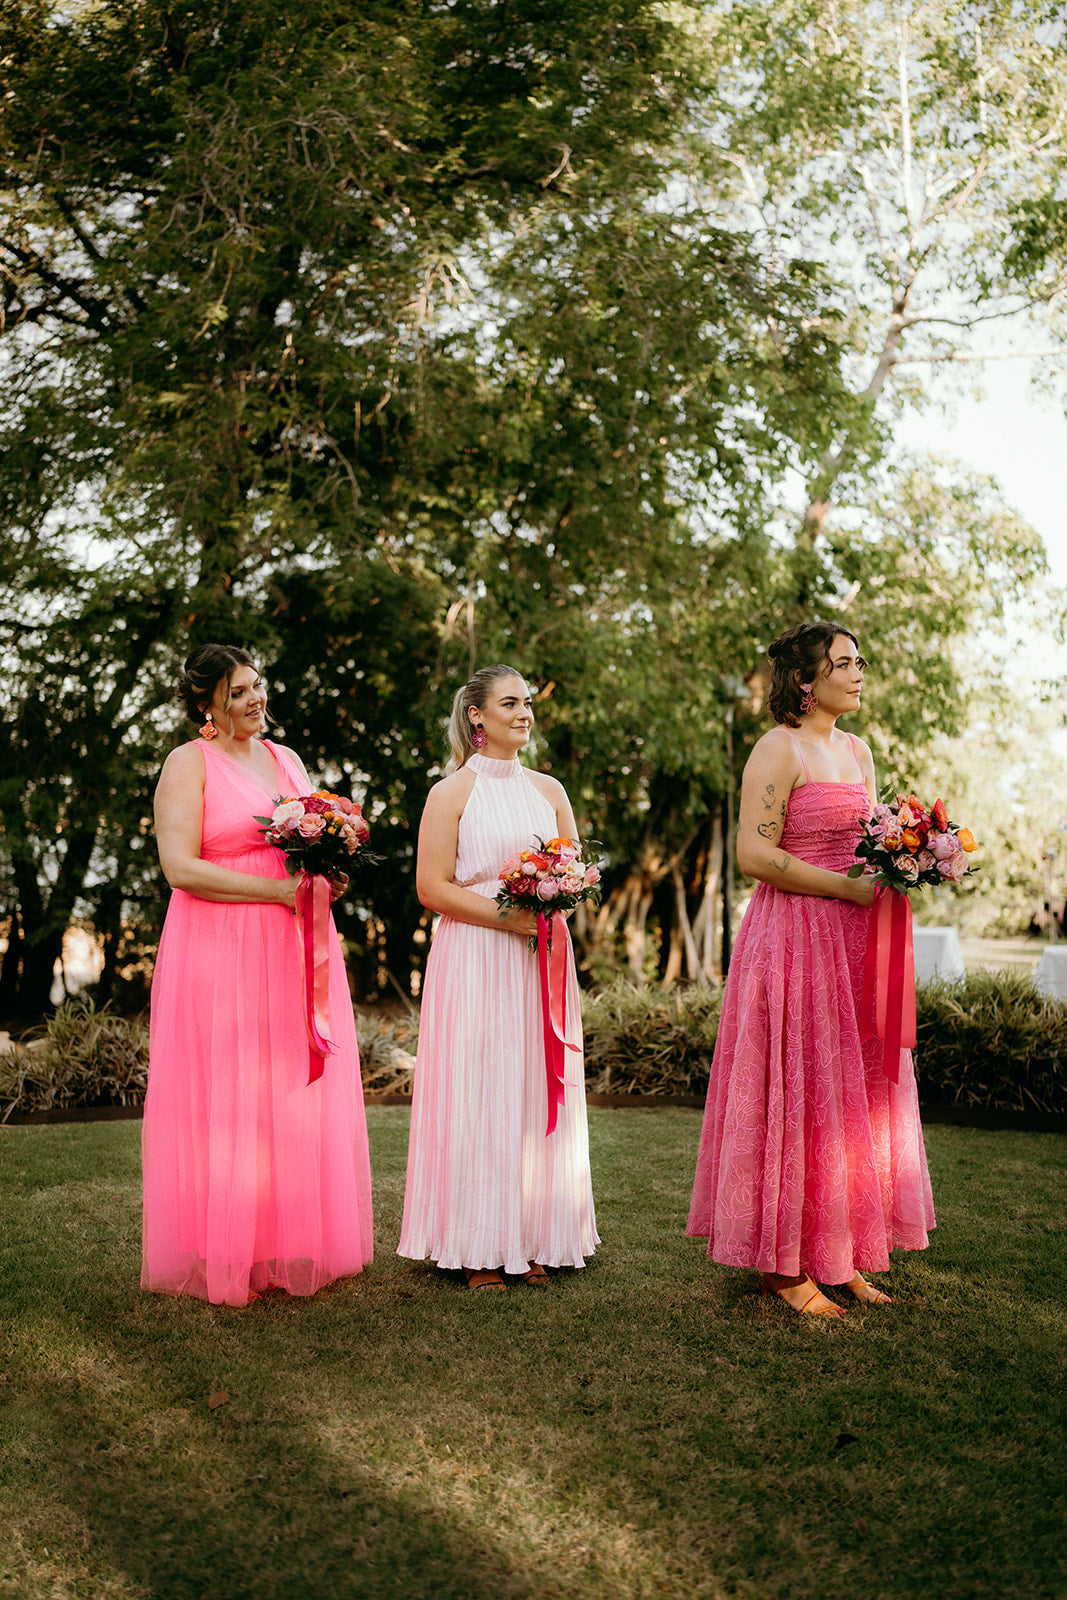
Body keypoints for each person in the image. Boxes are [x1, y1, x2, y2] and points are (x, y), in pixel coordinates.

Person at [687, 622, 935, 1316]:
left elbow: (869, 841)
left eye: (859, 661)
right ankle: (785, 1267)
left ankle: (841, 1254)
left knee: (847, 1096)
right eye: (843, 663)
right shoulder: (778, 748)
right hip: (794, 938)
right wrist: (846, 888)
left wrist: (907, 857)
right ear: (805, 680)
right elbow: (754, 856)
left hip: (856, 944)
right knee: (798, 1090)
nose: (858, 674)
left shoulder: (855, 750)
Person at [141, 643, 373, 1306]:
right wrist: (274, 894)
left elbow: (307, 838)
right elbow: (180, 868)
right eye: (238, 691)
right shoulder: (188, 765)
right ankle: (226, 1248)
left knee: (286, 1085)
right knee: (230, 1089)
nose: (254, 700)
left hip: (292, 943)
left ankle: (281, 1240)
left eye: (256, 686)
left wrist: (327, 865)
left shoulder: (286, 760)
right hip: (219, 942)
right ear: (206, 704)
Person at [398, 664, 599, 1288]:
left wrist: (556, 905)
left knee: (534, 1082)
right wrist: (507, 918)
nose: (524, 712)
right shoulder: (450, 793)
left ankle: (532, 1234)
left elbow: (570, 871)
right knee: (479, 1085)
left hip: (541, 955)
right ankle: (476, 1245)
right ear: (477, 716)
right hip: (476, 955)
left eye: (528, 702)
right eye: (509, 703)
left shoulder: (550, 790)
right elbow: (431, 888)